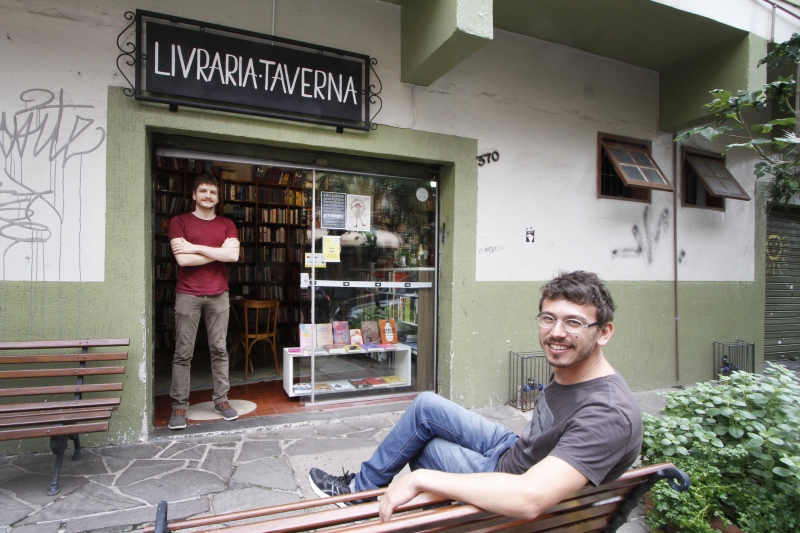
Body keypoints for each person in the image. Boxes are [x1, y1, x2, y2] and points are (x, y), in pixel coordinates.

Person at [309, 270, 643, 521]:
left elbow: (530, 499)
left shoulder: (607, 413)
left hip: (509, 478)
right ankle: (362, 490)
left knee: (425, 449)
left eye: (573, 322)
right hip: (515, 452)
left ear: (603, 333)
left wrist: (423, 478)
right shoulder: (576, 371)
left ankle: (362, 494)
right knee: (426, 406)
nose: (557, 332)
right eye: (549, 318)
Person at [167, 175, 240, 430]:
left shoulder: (227, 223)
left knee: (219, 349)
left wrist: (194, 247)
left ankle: (221, 400)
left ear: (217, 198)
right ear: (194, 196)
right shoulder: (179, 222)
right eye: (203, 191)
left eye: (212, 192)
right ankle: (179, 406)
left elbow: (233, 255)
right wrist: (218, 252)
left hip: (219, 294)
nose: (208, 195)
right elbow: (183, 261)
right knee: (182, 353)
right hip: (188, 293)